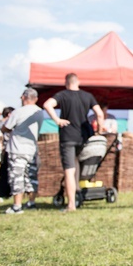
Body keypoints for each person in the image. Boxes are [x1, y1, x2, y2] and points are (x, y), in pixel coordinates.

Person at [43, 74, 104, 212]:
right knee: (76, 162)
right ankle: (76, 192)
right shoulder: (88, 96)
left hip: (68, 136)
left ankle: (71, 205)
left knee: (69, 170)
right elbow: (99, 114)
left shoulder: (62, 95)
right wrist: (99, 130)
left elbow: (47, 105)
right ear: (78, 82)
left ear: (66, 83)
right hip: (83, 137)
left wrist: (57, 120)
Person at [0, 89, 44, 214]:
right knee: (31, 176)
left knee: (17, 177)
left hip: (17, 148)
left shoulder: (17, 112)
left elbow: (6, 128)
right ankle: (31, 202)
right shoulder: (39, 112)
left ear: (23, 97)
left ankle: (17, 206)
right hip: (32, 148)